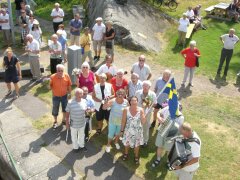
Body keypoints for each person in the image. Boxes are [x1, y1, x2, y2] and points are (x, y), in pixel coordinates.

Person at [121, 96, 146, 165]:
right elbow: (123, 121)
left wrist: (143, 114)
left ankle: (136, 156)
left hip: (138, 131)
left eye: (135, 100)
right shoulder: (126, 109)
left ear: (137, 102)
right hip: (128, 130)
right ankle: (126, 154)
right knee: (127, 143)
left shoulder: (141, 110)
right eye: (132, 100)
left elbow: (143, 122)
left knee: (137, 145)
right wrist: (122, 131)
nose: (134, 102)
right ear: (130, 101)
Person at [103, 89, 128, 153]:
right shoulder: (113, 101)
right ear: (116, 94)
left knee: (118, 133)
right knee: (111, 134)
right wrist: (106, 102)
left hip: (121, 121)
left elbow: (128, 110)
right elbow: (104, 108)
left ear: (124, 95)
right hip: (112, 120)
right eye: (119, 93)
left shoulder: (126, 102)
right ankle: (108, 145)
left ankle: (116, 142)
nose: (120, 95)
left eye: (122, 94)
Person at [50, 64, 72, 129]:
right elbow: (49, 87)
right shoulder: (52, 77)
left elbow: (69, 85)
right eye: (59, 71)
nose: (60, 72)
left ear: (63, 71)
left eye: (61, 70)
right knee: (55, 109)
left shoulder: (66, 76)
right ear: (56, 70)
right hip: (56, 96)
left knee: (65, 108)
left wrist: (69, 93)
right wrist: (48, 84)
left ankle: (63, 120)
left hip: (64, 96)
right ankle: (55, 121)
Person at [65, 88, 87, 152]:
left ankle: (82, 146)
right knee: (74, 136)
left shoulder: (84, 101)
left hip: (82, 122)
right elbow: (67, 114)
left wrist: (88, 111)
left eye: (80, 93)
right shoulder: (70, 102)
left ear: (82, 94)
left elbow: (85, 111)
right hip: (73, 123)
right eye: (77, 93)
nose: (79, 95)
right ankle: (75, 147)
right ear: (75, 94)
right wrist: (67, 123)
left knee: (82, 135)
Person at [135, 80, 156, 146]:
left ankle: (144, 141)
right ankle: (136, 138)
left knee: (145, 126)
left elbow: (155, 104)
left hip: (147, 113)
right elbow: (135, 101)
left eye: (146, 86)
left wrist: (149, 104)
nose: (145, 87)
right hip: (138, 112)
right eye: (144, 85)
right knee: (137, 125)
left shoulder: (152, 94)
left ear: (149, 87)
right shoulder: (138, 92)